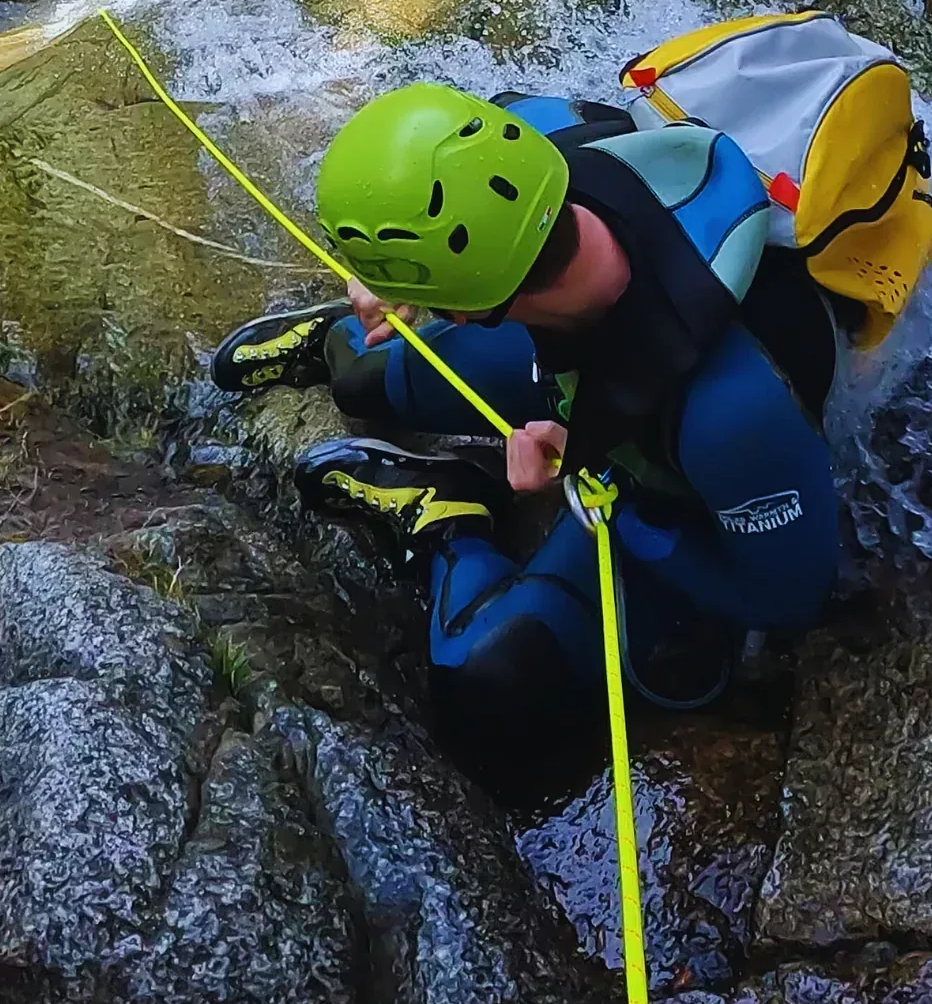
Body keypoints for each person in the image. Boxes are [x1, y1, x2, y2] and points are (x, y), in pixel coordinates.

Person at [212, 82, 856, 754]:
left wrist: (599, 495)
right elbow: (474, 136)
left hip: (678, 465)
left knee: (492, 684)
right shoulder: (541, 151)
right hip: (562, 345)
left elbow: (789, 599)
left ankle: (451, 521)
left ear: (459, 309)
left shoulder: (730, 415)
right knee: (361, 377)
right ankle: (331, 342)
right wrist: (405, 280)